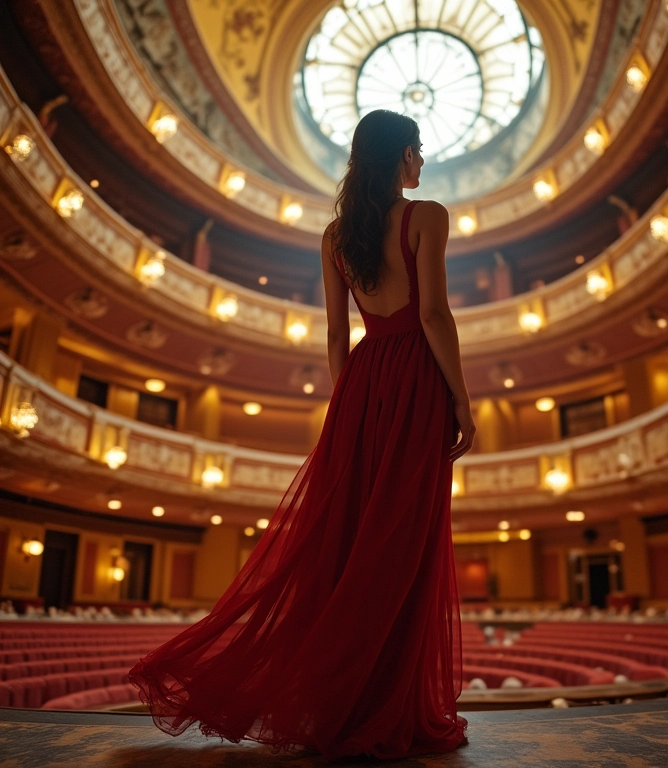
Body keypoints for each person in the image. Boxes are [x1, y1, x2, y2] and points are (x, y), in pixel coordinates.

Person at [128, 108, 475, 760]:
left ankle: (343, 705)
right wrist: (462, 399)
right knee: (403, 547)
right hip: (416, 384)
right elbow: (432, 313)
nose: (422, 162)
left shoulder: (336, 237)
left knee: (351, 547)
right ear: (400, 156)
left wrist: (348, 407)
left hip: (363, 384)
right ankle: (384, 706)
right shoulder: (427, 216)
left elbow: (338, 337)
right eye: (417, 151)